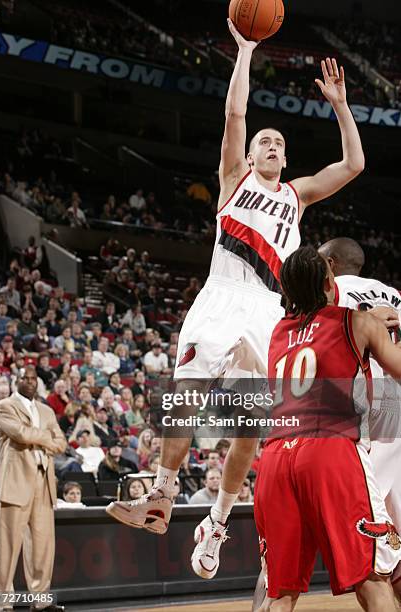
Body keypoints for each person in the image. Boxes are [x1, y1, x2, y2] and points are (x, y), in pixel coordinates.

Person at [106, 23, 365, 571]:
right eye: (264, 142)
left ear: (286, 161)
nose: (272, 146)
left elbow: (353, 167)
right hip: (222, 295)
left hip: (267, 308)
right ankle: (163, 493)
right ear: (249, 156)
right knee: (187, 393)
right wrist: (245, 52)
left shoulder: (297, 195)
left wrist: (341, 107)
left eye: (280, 144)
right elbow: (234, 117)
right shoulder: (233, 181)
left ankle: (217, 521)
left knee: (251, 426)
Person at [253, 247, 401, 612]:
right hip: (331, 452)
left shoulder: (277, 333)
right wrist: (374, 325)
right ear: (328, 282)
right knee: (371, 575)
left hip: (275, 460)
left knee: (280, 592)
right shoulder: (355, 321)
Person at [319, 236, 401, 599]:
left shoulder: (331, 292)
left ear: (332, 264)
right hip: (397, 400)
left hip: (362, 407)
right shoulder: (394, 294)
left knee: (367, 535)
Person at [0, 366, 66, 612]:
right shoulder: (4, 406)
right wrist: (46, 437)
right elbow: (19, 434)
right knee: (7, 547)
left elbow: (61, 442)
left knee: (43, 546)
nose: (31, 381)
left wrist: (43, 438)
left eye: (34, 378)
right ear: (17, 380)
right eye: (25, 377)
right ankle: (2, 602)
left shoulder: (46, 410)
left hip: (43, 483)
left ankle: (40, 601)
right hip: (15, 482)